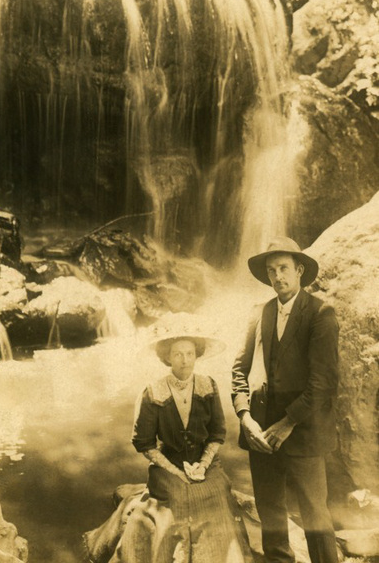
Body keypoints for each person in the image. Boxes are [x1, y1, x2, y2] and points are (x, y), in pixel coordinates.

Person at [232, 236, 339, 563]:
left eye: (283, 268)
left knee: (315, 515)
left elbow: (323, 382)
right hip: (261, 429)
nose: (277, 276)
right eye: (271, 270)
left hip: (304, 430)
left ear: (299, 270)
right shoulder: (258, 313)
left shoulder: (321, 313)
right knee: (270, 510)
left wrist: (289, 421)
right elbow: (239, 369)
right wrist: (244, 415)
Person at [128, 333, 253, 563]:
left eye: (190, 354)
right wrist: (177, 472)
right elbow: (144, 443)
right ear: (167, 357)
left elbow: (217, 433)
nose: (184, 360)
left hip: (205, 461)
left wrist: (203, 465)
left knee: (217, 496)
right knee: (177, 498)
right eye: (177, 354)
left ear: (197, 356)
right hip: (168, 465)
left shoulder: (209, 386)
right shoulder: (152, 391)